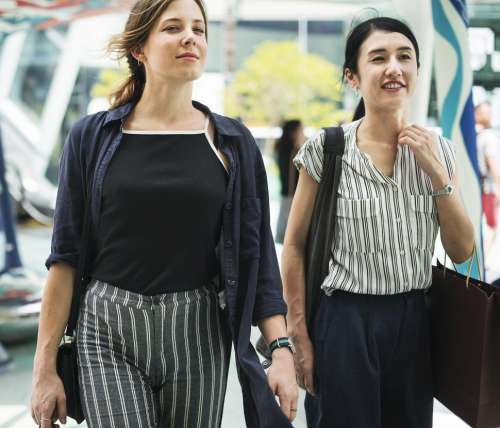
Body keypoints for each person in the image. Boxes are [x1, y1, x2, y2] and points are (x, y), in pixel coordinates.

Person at [31, 1, 297, 427]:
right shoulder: (91, 138)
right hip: (108, 327)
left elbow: (257, 255)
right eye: (172, 27)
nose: (190, 37)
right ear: (140, 49)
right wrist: (45, 369)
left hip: (197, 329)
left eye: (198, 28)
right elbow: (64, 257)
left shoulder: (232, 143)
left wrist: (280, 349)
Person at [282, 17, 475, 428]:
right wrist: (299, 337)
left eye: (405, 57)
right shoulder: (327, 149)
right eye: (379, 58)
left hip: (415, 319)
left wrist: (438, 176)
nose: (394, 67)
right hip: (344, 322)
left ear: (417, 72)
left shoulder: (438, 149)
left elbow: (463, 251)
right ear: (353, 77)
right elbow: (294, 244)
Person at [475, 102, 500, 256]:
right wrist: (499, 187)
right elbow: (493, 164)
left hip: (475, 186)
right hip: (487, 187)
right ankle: (481, 259)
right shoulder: (489, 137)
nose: (490, 115)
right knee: (491, 226)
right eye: (486, 112)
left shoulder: (473, 137)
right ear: (477, 114)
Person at [275, 120, 304, 243]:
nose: (302, 134)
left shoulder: (282, 149)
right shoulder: (294, 152)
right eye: (301, 130)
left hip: (286, 194)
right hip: (293, 195)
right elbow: (292, 176)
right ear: (293, 133)